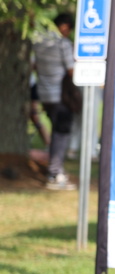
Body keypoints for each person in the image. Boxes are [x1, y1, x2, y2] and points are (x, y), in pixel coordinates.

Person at [32, 12, 76, 190]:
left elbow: (34, 65)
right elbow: (72, 71)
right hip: (61, 96)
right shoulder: (63, 44)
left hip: (44, 95)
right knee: (61, 133)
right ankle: (55, 173)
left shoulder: (39, 42)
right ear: (64, 26)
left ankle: (55, 169)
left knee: (56, 131)